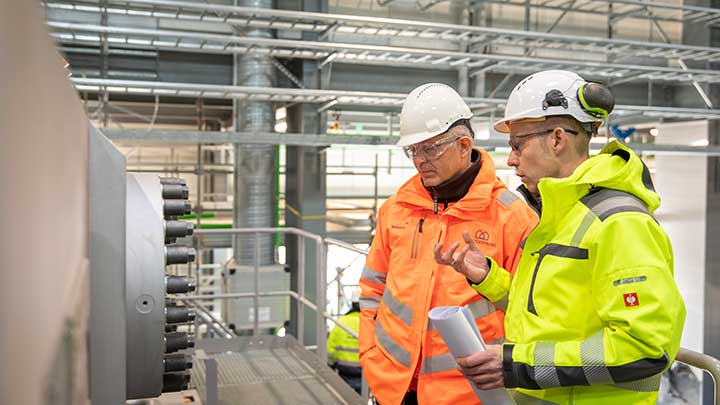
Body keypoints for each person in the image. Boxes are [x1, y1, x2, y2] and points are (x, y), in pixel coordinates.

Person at [435, 70, 686, 404]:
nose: (510, 160)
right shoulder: (562, 215)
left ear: (556, 139)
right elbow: (550, 314)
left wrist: (516, 365)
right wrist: (487, 276)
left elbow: (645, 347)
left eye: (517, 145)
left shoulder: (619, 223)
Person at [359, 83, 538, 405]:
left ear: (463, 144)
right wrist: (370, 353)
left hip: (469, 393)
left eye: (430, 149)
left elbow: (532, 309)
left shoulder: (512, 217)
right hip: (393, 387)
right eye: (413, 150)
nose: (420, 160)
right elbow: (373, 289)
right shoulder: (396, 209)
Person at [327, 290, 362, 394]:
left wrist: (330, 365)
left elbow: (330, 349)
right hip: (364, 372)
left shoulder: (342, 322)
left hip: (344, 370)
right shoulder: (371, 324)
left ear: (352, 304)